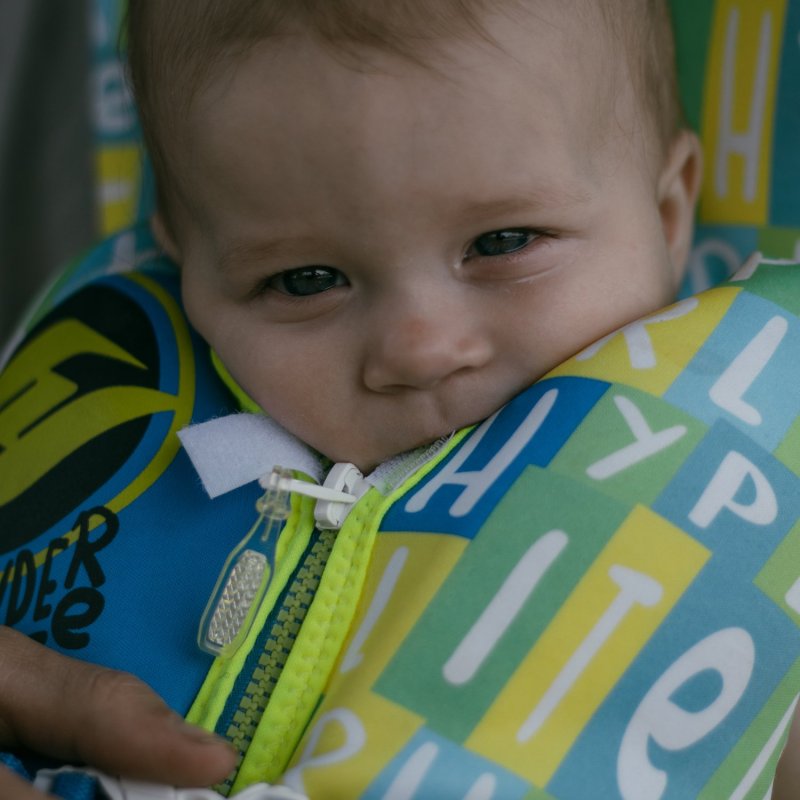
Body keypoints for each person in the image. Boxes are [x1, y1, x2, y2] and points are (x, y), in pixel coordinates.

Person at [1, 0, 798, 797]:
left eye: (504, 242)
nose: (419, 351)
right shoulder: (100, 386)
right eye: (305, 280)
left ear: (666, 211)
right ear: (188, 258)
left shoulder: (767, 455)